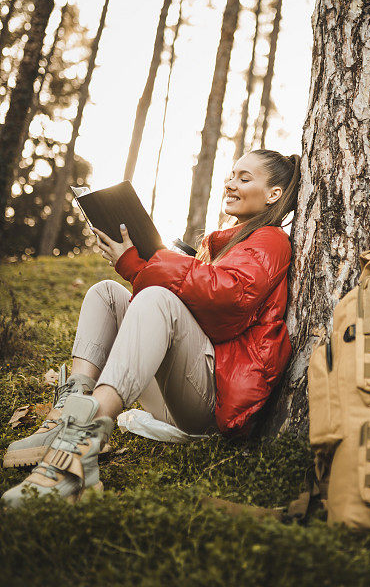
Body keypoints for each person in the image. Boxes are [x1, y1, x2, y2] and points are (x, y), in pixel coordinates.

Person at [2, 149, 300, 507]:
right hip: (181, 393)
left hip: (212, 403)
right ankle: (68, 415)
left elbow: (228, 301)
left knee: (156, 298)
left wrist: (140, 267)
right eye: (232, 174)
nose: (230, 183)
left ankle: (80, 446)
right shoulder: (230, 242)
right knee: (107, 294)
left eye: (244, 178)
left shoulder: (270, 239)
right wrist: (144, 264)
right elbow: (201, 302)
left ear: (274, 195)